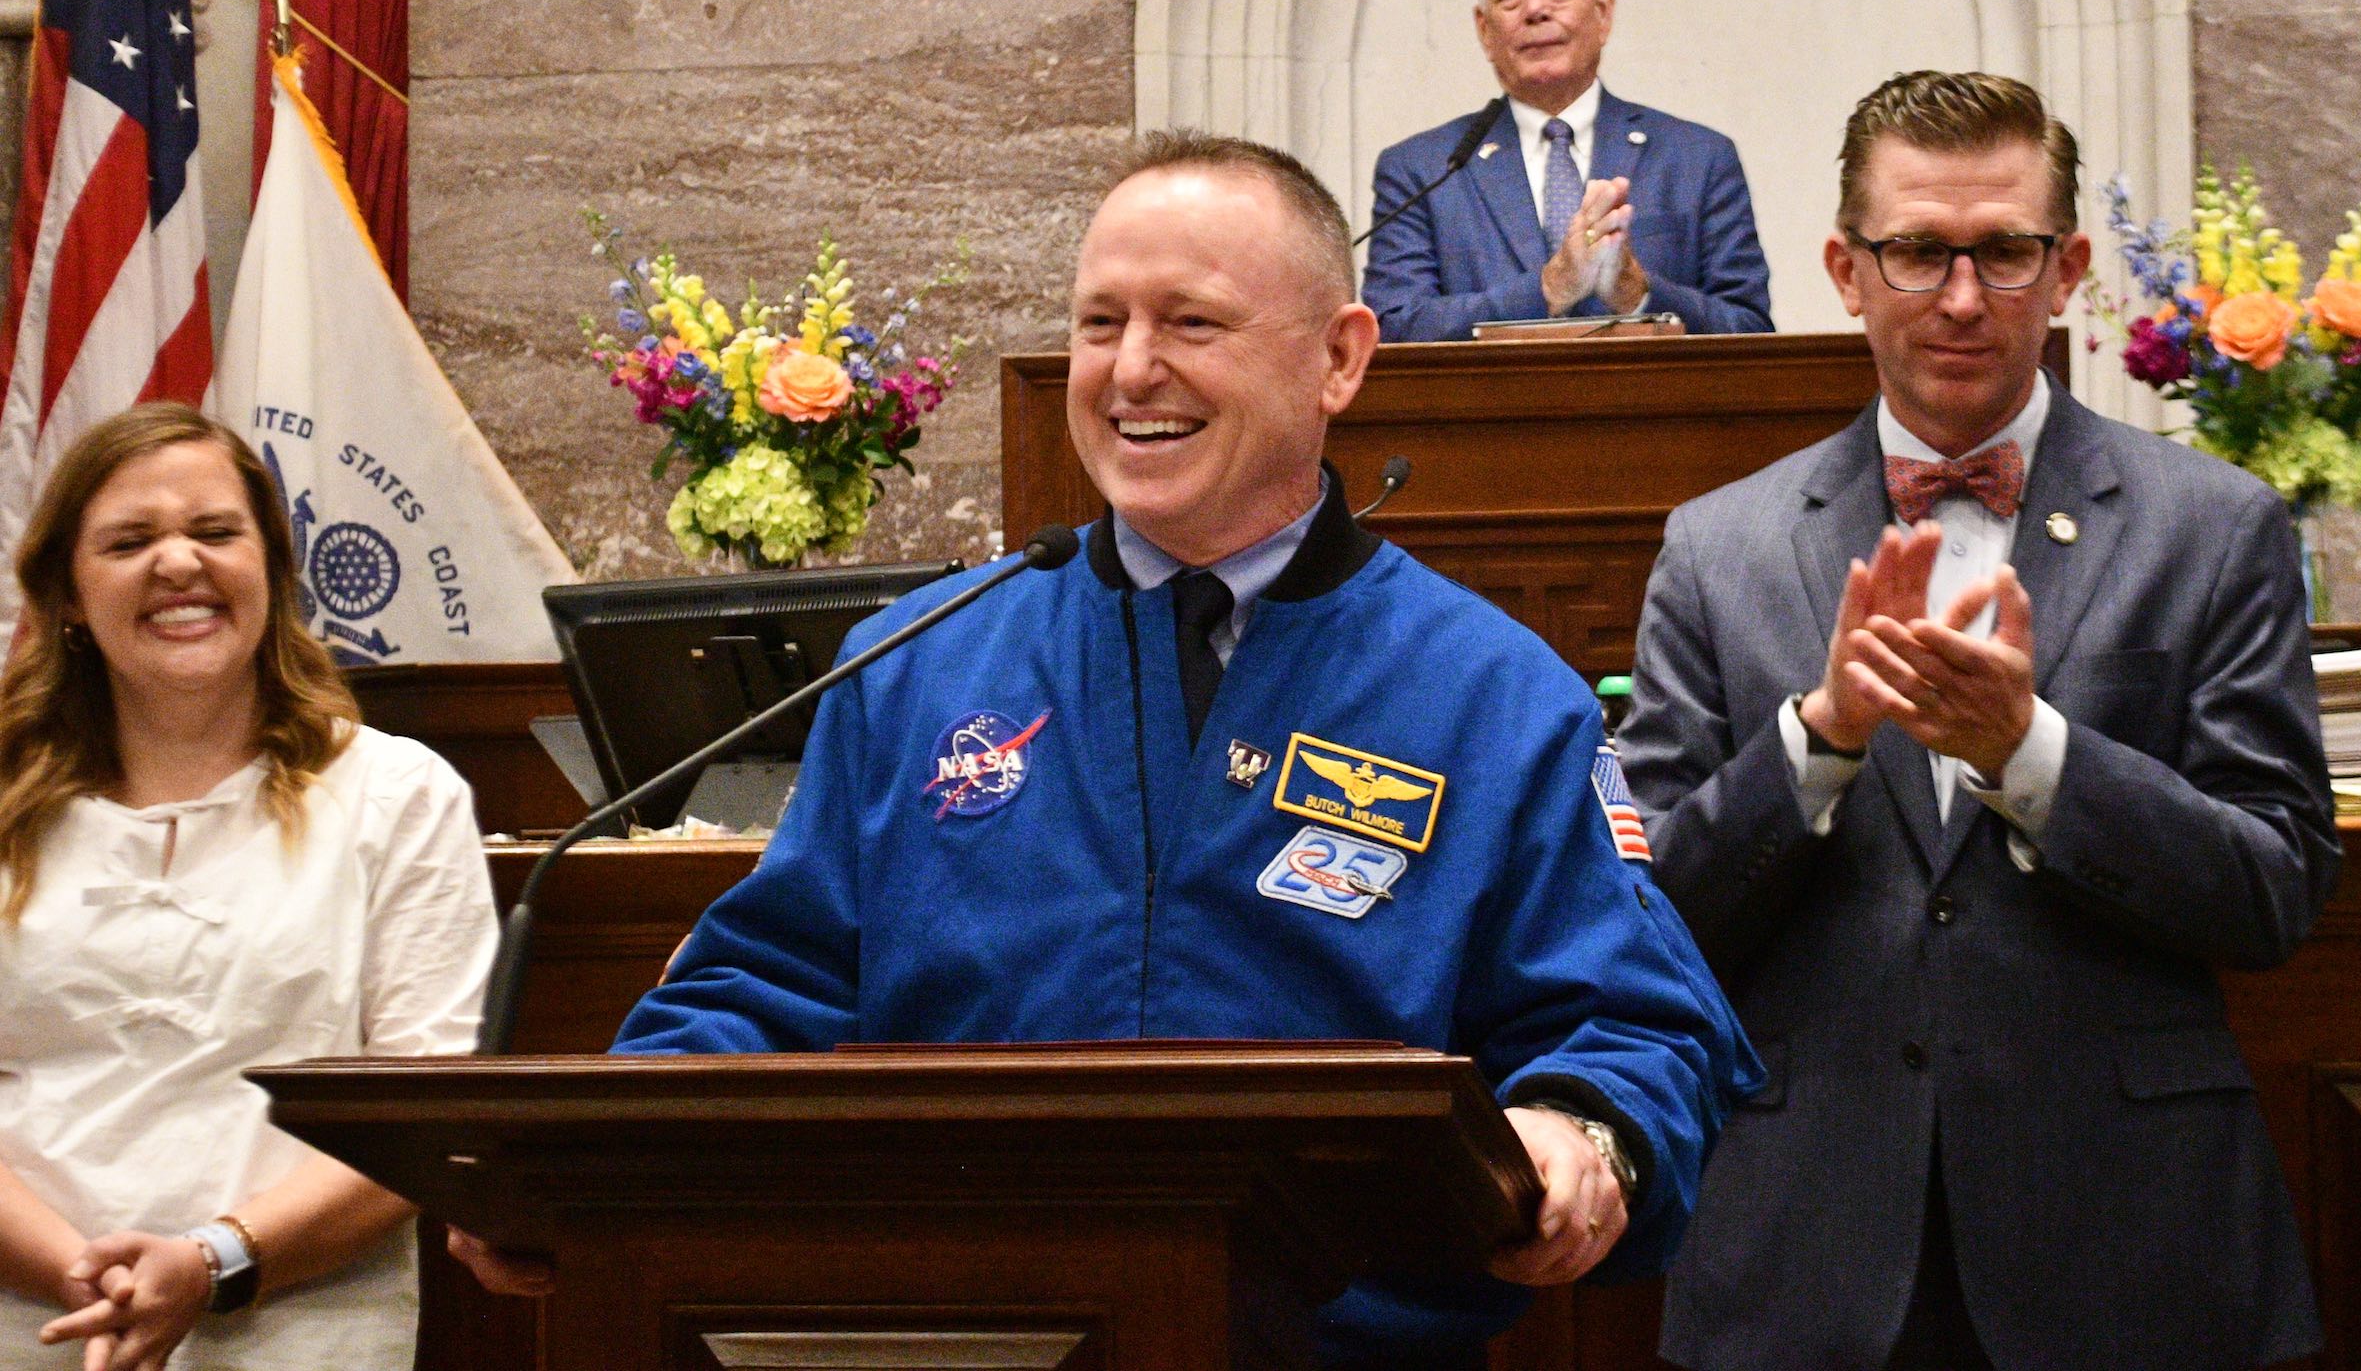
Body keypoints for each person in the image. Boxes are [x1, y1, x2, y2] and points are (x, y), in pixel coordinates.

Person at [459, 132, 1758, 1368]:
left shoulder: (1492, 693)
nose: (1132, 369)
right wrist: (587, 1167)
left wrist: (1585, 1134)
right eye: (1100, 323)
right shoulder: (914, 664)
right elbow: (769, 985)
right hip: (949, 1348)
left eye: (1190, 323)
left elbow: (1633, 1023)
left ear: (1340, 358)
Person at [1622, 72, 2339, 1370]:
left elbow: (2273, 892)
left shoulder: (2215, 528)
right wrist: (1820, 740)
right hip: (1808, 1256)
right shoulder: (1717, 549)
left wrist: (2032, 757)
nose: (1962, 297)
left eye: (2004, 251)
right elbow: (1648, 916)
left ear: (2067, 271)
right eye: (1918, 252)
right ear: (1846, 271)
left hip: (2130, 1253)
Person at [0, 404, 500, 1370]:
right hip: (31, 1326)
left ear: (272, 566)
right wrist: (85, 1282)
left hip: (301, 1334)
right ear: (66, 594)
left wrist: (211, 1263)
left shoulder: (396, 794)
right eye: (130, 542)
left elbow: (423, 1113)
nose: (178, 563)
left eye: (216, 532)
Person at [1361, 0, 1773, 341]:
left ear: (1602, 12)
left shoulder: (1697, 159)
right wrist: (1547, 289)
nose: (1535, 9)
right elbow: (1393, 328)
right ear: (1485, 31)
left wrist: (1640, 294)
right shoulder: (1423, 171)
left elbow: (1750, 332)